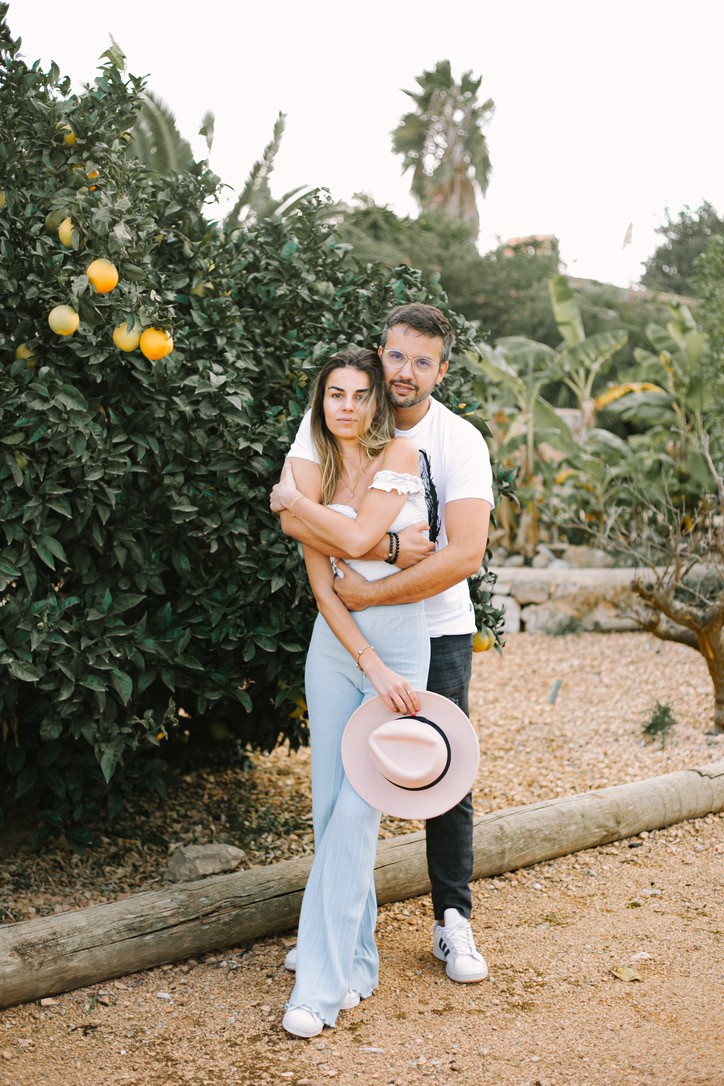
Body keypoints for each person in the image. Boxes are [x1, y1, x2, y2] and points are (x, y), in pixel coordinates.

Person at [278, 303, 494, 985]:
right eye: (396, 356)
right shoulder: (337, 417)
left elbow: (462, 556)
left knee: (438, 771)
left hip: (437, 628)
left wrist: (372, 586)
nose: (405, 371)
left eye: (421, 361)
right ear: (381, 354)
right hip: (350, 629)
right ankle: (338, 929)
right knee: (347, 787)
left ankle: (452, 920)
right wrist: (394, 547)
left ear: (441, 370)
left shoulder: (457, 440)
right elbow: (292, 512)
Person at [269, 346, 432, 1038]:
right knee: (329, 804)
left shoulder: (400, 455)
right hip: (337, 651)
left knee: (361, 809)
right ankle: (357, 956)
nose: (347, 406)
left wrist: (304, 512)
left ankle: (319, 986)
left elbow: (361, 533)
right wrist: (304, 514)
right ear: (321, 400)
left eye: (359, 394)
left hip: (400, 649)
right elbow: (322, 584)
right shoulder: (309, 458)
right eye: (334, 394)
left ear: (376, 401)